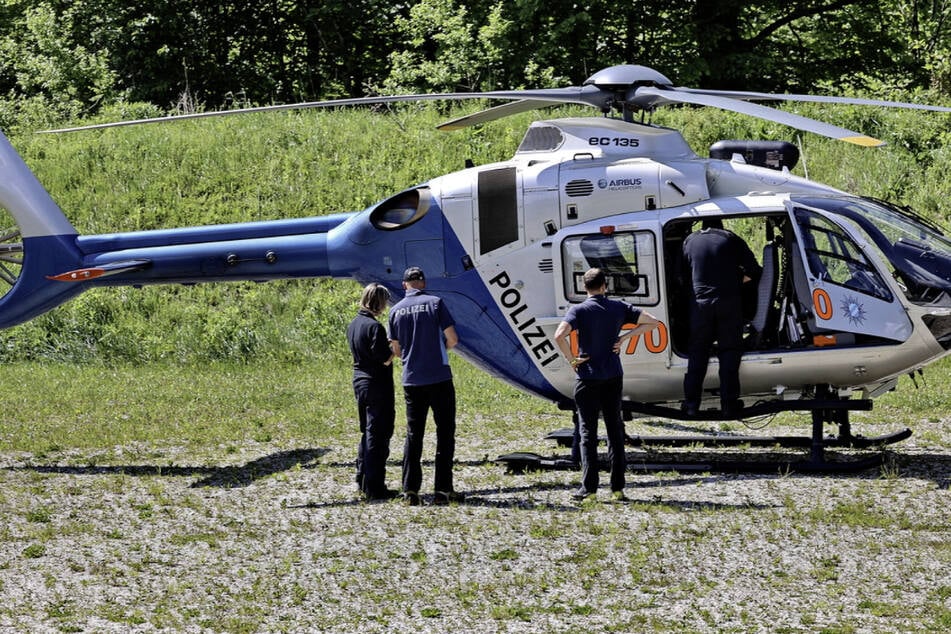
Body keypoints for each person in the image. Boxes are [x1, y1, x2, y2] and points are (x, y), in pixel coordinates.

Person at [554, 267, 659, 501]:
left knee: (587, 433)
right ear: (605, 286)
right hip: (612, 375)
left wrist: (572, 359)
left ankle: (588, 488)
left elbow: (559, 335)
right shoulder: (619, 307)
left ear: (584, 287)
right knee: (615, 430)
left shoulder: (579, 310)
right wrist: (624, 337)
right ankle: (617, 488)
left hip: (587, 376)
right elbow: (653, 322)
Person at [388, 266, 462, 506]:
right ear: (423, 282)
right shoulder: (436, 303)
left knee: (414, 434)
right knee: (445, 432)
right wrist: (441, 350)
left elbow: (396, 350)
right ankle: (442, 490)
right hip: (439, 376)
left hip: (412, 379)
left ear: (404, 285)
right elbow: (452, 339)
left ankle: (410, 490)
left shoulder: (395, 310)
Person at [681, 219, 762, 417]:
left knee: (698, 351)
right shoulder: (730, 239)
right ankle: (729, 404)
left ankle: (691, 404)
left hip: (700, 305)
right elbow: (754, 270)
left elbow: (681, 277)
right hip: (728, 302)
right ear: (722, 225)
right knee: (729, 351)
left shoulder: (689, 242)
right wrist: (736, 281)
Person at [346, 283, 397, 501]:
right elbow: (384, 358)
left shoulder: (354, 324)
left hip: (360, 380)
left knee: (367, 431)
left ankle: (362, 477)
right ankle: (376, 486)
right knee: (379, 433)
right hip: (377, 384)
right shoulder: (375, 327)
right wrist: (395, 349)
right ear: (379, 302)